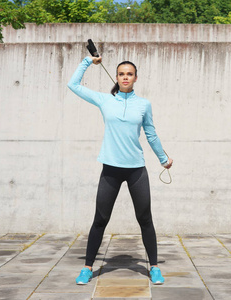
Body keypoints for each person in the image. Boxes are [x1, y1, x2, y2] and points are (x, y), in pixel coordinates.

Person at [67, 55, 173, 286]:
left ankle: (154, 268)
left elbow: (151, 134)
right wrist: (88, 61)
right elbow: (73, 85)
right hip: (110, 170)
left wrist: (163, 159)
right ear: (116, 77)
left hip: (136, 170)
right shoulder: (105, 100)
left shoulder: (144, 104)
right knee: (100, 220)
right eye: (122, 74)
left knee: (145, 219)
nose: (125, 77)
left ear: (136, 78)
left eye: (130, 74)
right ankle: (87, 268)